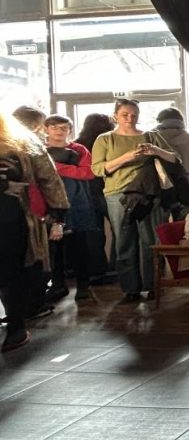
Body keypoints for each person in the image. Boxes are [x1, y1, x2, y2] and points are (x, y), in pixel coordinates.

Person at [90, 98, 180, 304]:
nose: (130, 119)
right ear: (115, 116)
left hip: (148, 193)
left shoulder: (151, 135)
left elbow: (175, 159)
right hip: (117, 194)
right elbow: (98, 169)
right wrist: (127, 157)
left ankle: (153, 284)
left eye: (134, 115)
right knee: (124, 241)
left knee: (151, 240)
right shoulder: (105, 139)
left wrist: (155, 150)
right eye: (125, 115)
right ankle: (130, 288)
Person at [0, 112, 69, 351]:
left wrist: (57, 215)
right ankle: (16, 328)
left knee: (12, 270)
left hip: (12, 214)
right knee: (13, 271)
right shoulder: (23, 142)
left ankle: (16, 327)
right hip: (12, 214)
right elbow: (50, 180)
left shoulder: (23, 142)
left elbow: (49, 180)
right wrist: (58, 214)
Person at [43, 114, 97, 302]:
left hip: (77, 202)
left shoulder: (79, 149)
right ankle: (58, 285)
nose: (59, 131)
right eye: (54, 127)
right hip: (49, 203)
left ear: (70, 130)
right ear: (46, 129)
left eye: (64, 128)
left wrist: (56, 167)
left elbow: (88, 173)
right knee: (54, 249)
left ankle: (83, 285)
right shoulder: (40, 149)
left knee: (79, 246)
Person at [75, 113, 117, 283]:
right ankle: (117, 267)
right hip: (110, 189)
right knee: (120, 230)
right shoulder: (110, 141)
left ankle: (97, 270)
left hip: (86, 192)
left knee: (94, 233)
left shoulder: (78, 145)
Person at [154, 107, 189, 218]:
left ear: (159, 120)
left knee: (161, 222)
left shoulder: (154, 137)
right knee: (187, 221)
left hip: (161, 182)